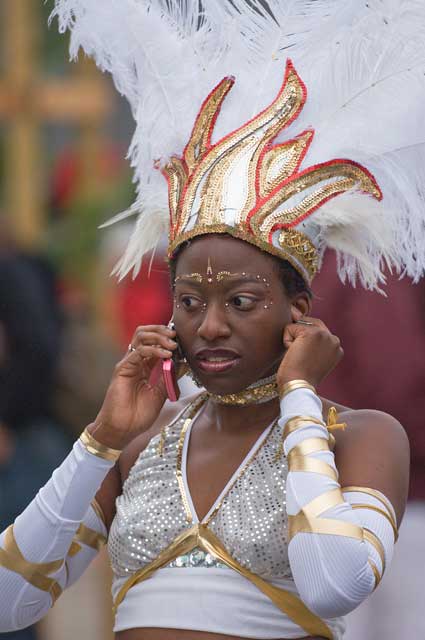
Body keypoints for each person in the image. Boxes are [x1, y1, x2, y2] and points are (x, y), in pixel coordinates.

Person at [0, 1, 423, 638]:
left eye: (242, 302)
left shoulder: (358, 438)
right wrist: (99, 440)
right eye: (191, 301)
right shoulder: (138, 447)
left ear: (298, 314)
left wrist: (299, 397)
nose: (211, 326)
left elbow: (333, 584)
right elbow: (10, 600)